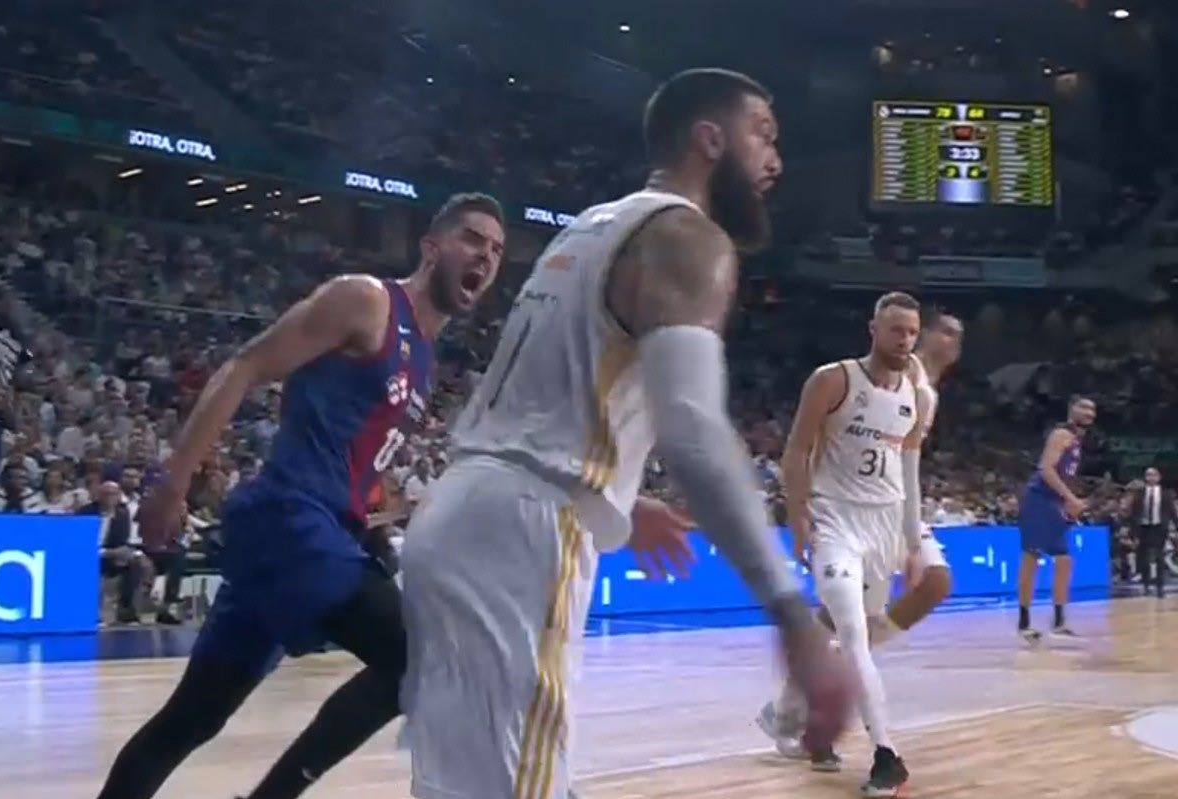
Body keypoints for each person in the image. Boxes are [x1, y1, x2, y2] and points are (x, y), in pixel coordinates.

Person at [394, 67, 854, 799]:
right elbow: (692, 429)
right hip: (523, 534)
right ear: (709, 139)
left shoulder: (593, 225)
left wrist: (618, 496)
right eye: (762, 135)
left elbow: (546, 401)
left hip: (462, 514)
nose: (775, 160)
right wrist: (790, 611)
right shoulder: (689, 237)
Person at [94, 192, 507, 799]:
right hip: (290, 521)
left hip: (311, 539)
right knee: (422, 658)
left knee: (192, 719)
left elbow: (353, 458)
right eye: (472, 238)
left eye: (496, 249)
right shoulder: (366, 300)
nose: (485, 256)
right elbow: (244, 366)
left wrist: (373, 522)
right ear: (431, 246)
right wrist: (173, 481)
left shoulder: (424, 360)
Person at [757, 308, 964, 761]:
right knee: (845, 618)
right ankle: (803, 702)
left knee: (932, 583)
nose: (952, 340)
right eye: (945, 331)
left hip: (891, 507)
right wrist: (801, 506)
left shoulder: (924, 392)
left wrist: (911, 531)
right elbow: (813, 444)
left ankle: (799, 695)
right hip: (845, 508)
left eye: (958, 335)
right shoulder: (887, 373)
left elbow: (903, 461)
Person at [772, 292, 927, 796]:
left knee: (847, 631)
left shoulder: (917, 397)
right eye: (896, 330)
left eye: (912, 332)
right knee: (853, 633)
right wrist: (798, 515)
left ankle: (790, 715)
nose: (904, 340)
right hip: (835, 520)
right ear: (873, 330)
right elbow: (796, 450)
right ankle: (887, 756)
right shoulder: (833, 379)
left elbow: (909, 472)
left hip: (884, 525)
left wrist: (912, 540)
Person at [1017, 395, 1096, 641]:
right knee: (1031, 557)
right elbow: (1046, 469)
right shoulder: (1061, 434)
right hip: (1039, 499)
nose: (1089, 412)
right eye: (1083, 407)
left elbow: (1065, 475)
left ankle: (1059, 622)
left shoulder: (1076, 441)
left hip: (1054, 503)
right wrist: (1070, 498)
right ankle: (1024, 623)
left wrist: (1068, 501)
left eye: (1092, 409)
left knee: (1064, 560)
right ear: (1071, 409)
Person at [1128, 466, 1176, 598]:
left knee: (1159, 556)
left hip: (1159, 527)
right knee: (1143, 557)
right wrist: (1133, 532)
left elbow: (1172, 512)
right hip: (1144, 527)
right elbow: (1134, 513)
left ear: (1159, 477)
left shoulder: (1166, 494)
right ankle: (1146, 585)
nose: (1151, 477)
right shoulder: (1140, 494)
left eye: (1153, 475)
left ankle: (1160, 587)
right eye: (1148, 475)